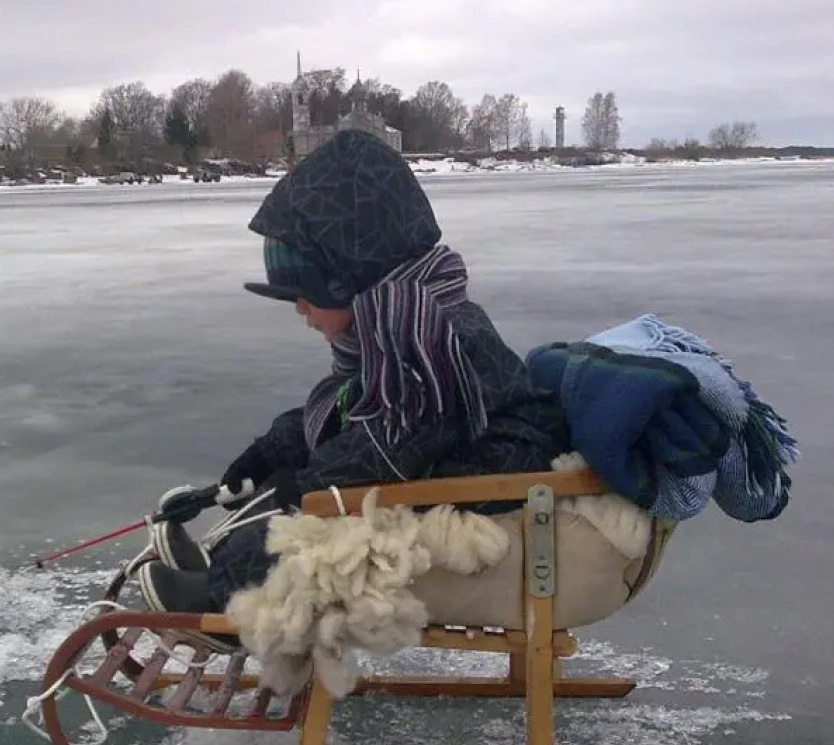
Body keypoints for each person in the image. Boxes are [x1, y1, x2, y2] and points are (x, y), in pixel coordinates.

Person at [137, 129, 568, 615]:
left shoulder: (431, 338)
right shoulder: (403, 323)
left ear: (348, 281)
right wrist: (270, 452)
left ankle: (224, 600)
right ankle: (220, 567)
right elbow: (353, 409)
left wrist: (297, 486)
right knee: (309, 501)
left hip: (484, 489)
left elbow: (382, 449)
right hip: (440, 470)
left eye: (305, 294)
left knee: (315, 524)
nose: (300, 310)